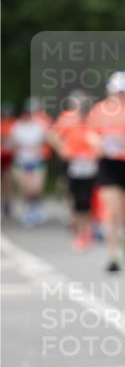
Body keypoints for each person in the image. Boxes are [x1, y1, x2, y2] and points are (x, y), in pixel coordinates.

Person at [87, 71, 125, 271]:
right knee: (112, 211)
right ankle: (113, 256)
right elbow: (90, 134)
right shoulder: (99, 110)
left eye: (124, 92)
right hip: (108, 163)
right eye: (117, 92)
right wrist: (98, 143)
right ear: (109, 92)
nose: (120, 95)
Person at [48, 91, 97, 250]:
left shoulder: (94, 119)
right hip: (73, 163)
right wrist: (62, 148)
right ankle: (78, 229)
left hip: (91, 163)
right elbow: (52, 135)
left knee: (89, 197)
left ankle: (87, 230)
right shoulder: (67, 118)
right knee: (75, 196)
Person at [9, 98, 51, 226]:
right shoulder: (17, 126)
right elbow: (14, 143)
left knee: (36, 188)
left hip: (36, 160)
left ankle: (36, 208)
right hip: (22, 161)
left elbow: (47, 138)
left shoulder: (40, 125)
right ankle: (28, 211)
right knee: (25, 188)